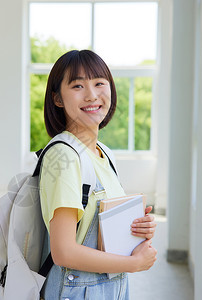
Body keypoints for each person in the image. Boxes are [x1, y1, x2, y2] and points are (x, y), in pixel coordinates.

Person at [39, 49, 157, 299]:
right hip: (77, 290)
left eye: (99, 83)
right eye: (78, 86)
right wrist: (134, 264)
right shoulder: (65, 156)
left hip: (109, 287)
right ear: (58, 99)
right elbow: (64, 252)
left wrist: (135, 228)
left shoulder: (104, 153)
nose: (92, 95)